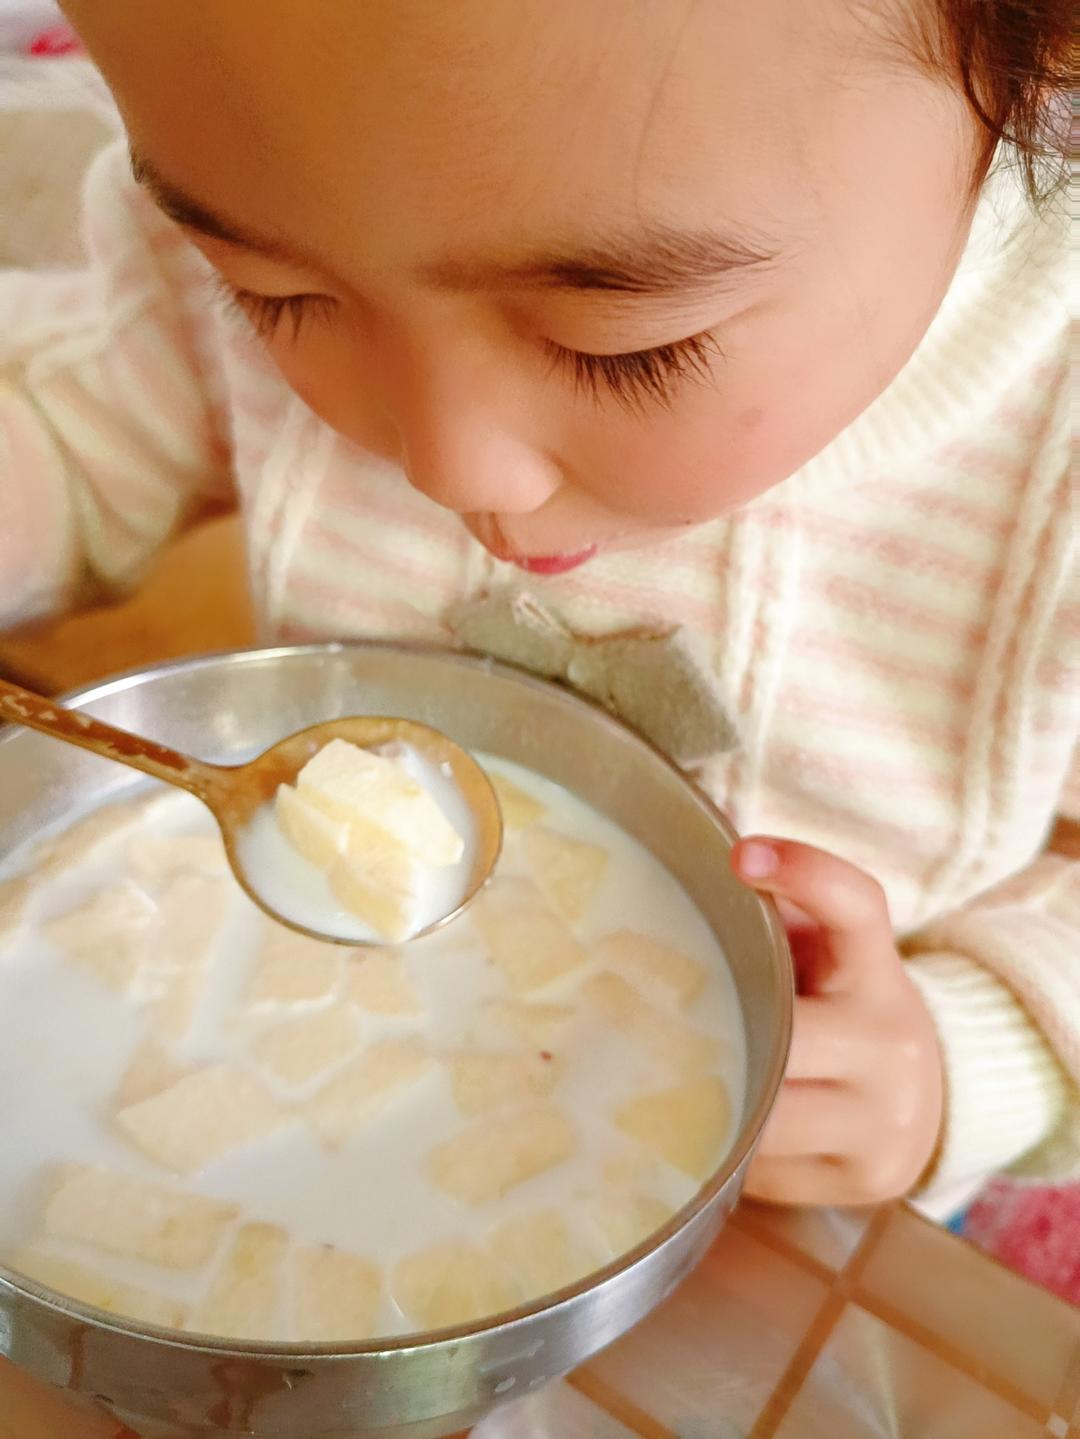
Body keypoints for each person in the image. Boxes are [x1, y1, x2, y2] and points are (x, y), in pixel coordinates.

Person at [0, 0, 1073, 1219]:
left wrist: (972, 1053)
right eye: (274, 297)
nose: (455, 469)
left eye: (625, 349)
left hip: (805, 1190)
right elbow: (68, 423)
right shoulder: (266, 172)